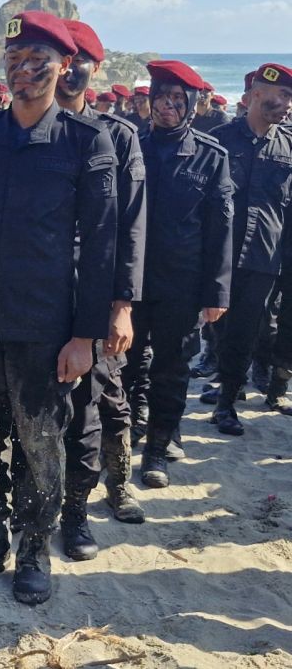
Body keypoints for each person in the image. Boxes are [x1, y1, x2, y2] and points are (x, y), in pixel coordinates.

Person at [0, 11, 118, 604]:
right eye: (14, 61)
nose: (25, 71)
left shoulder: (87, 142)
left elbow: (104, 247)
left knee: (41, 441)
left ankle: (36, 547)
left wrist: (86, 335)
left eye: (39, 60)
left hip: (46, 323)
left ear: (64, 68)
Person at [54, 20, 148, 560]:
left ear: (94, 69)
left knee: (98, 405)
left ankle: (83, 509)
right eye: (62, 60)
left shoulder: (117, 135)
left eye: (80, 62)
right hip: (35, 293)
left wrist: (121, 306)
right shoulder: (19, 130)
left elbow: (130, 227)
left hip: (94, 295)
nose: (70, 72)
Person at [121, 60, 232, 489]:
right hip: (131, 279)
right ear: (149, 102)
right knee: (124, 365)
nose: (167, 107)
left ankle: (157, 449)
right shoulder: (129, 145)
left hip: (181, 286)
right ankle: (122, 435)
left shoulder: (211, 156)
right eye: (160, 99)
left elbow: (222, 228)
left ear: (191, 107)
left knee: (171, 369)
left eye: (176, 101)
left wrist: (216, 292)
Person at [203, 64, 292, 436]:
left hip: (264, 256)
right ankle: (225, 381)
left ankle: (227, 403)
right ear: (256, 93)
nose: (286, 105)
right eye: (281, 96)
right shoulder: (219, 139)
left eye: (290, 98)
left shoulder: (288, 146)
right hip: (219, 254)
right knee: (217, 329)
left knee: (245, 330)